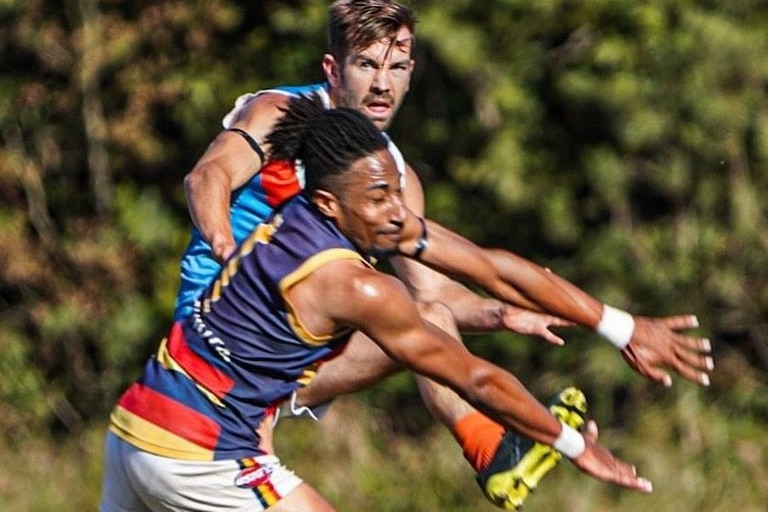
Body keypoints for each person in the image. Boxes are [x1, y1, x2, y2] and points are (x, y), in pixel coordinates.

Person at [177, 0, 713, 508]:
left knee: (422, 314)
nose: (383, 84)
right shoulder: (284, 114)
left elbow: (438, 291)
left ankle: (497, 451)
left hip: (283, 358)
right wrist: (232, 259)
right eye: (365, 64)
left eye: (398, 66)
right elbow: (208, 177)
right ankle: (499, 448)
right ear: (332, 68)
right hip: (213, 335)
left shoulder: (390, 181)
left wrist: (506, 314)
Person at [100, 95, 655, 512]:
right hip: (198, 455)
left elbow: (490, 267)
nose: (396, 212)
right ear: (329, 203)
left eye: (395, 190)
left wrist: (618, 325)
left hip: (132, 431)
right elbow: (476, 380)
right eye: (378, 197)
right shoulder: (356, 286)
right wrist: (572, 444)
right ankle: (495, 451)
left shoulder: (298, 221)